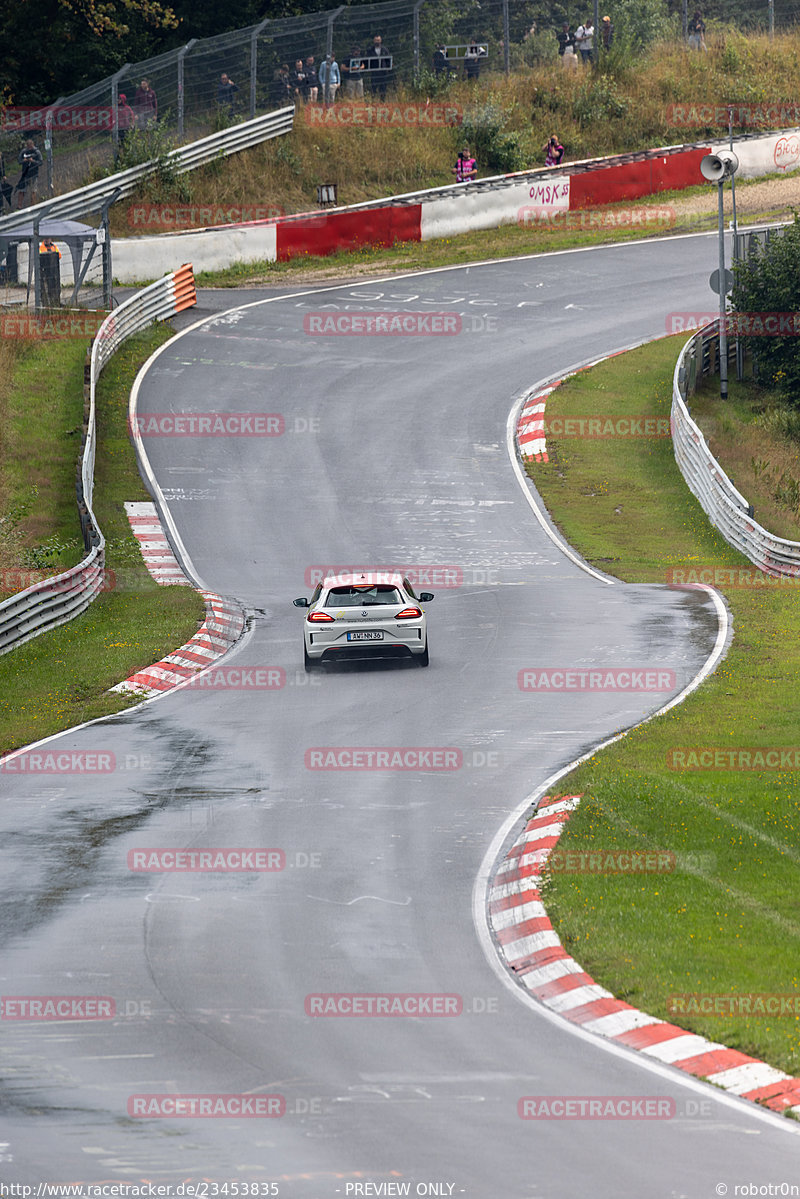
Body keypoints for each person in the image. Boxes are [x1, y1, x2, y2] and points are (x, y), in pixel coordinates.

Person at [15, 139, 43, 208]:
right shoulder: (24, 151)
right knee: (22, 190)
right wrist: (23, 161)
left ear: (33, 145)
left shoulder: (37, 152)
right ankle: (19, 206)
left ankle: (32, 205)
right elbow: (19, 161)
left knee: (33, 190)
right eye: (28, 147)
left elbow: (40, 162)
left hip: (34, 173)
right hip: (25, 174)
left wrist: (32, 161)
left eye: (31, 146)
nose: (29, 148)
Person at [38, 236, 61, 307]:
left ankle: (55, 303)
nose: (46, 240)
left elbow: (59, 256)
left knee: (55, 288)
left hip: (54, 271)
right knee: (45, 288)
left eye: (48, 239)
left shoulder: (54, 247)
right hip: (44, 271)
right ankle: (46, 305)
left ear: (51, 239)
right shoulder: (40, 247)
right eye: (45, 238)